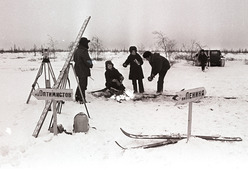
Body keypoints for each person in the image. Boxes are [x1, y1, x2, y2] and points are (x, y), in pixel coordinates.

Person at [74, 37, 93, 103]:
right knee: (83, 85)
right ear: (84, 43)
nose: (88, 44)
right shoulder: (83, 51)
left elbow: (74, 59)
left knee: (81, 83)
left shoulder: (77, 50)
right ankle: (81, 98)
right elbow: (87, 60)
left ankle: (78, 97)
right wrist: (90, 64)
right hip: (83, 70)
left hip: (78, 70)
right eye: (87, 42)